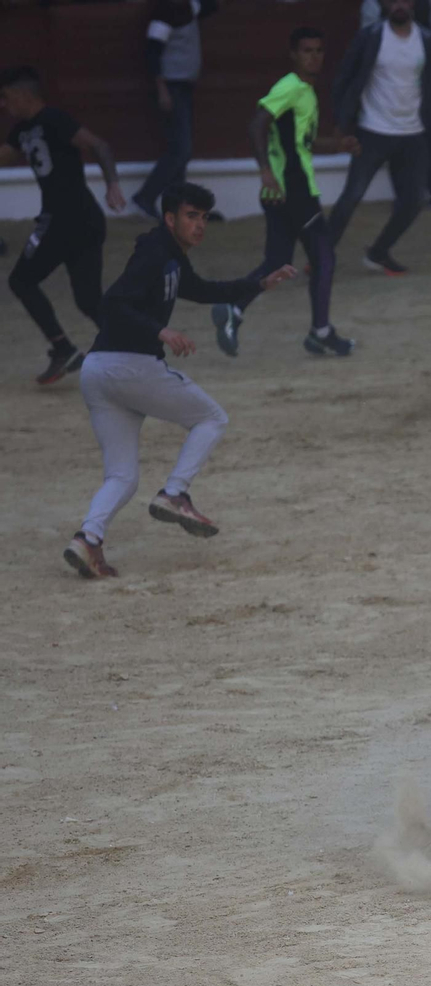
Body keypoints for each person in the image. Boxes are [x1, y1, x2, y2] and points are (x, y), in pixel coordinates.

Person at [63, 182, 296, 580]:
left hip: (98, 372)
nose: (200, 224)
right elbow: (112, 303)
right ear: (170, 219)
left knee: (122, 476)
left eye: (204, 217)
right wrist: (161, 332)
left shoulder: (170, 256)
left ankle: (87, 539)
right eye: (191, 216)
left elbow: (202, 290)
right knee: (212, 418)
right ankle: (174, 494)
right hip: (130, 366)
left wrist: (257, 285)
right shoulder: (154, 252)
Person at [211, 28, 355, 359]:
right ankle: (320, 332)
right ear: (293, 54)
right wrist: (264, 170)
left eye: (319, 50)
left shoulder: (305, 91)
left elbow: (302, 143)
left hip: (282, 191)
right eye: (307, 50)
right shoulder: (290, 87)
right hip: (293, 189)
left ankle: (234, 307)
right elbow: (256, 124)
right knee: (324, 256)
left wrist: (337, 144)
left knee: (277, 262)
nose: (314, 56)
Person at [1, 65, 124, 385]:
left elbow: (100, 145)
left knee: (21, 281)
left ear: (20, 95)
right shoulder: (20, 130)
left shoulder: (55, 118)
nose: (3, 105)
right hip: (83, 218)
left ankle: (63, 348)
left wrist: (113, 184)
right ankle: (135, 349)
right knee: (87, 299)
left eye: (5, 97)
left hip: (62, 220)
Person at [329, 0, 431, 277]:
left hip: (413, 134)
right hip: (372, 130)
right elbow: (345, 78)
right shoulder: (369, 37)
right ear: (384, 4)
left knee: (413, 201)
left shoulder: (428, 40)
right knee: (351, 196)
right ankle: (322, 254)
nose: (399, 4)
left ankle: (379, 252)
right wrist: (342, 123)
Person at [359, 0, 431, 208]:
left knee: (430, 128)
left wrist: (429, 47)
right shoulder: (373, 3)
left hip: (422, 73)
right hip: (389, 78)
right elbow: (367, 38)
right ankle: (406, 193)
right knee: (395, 132)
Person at [131, 0, 217, 221]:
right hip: (171, 87)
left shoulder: (188, 6)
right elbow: (152, 51)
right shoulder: (166, 10)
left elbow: (211, 6)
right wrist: (161, 90)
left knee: (180, 152)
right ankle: (146, 196)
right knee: (181, 150)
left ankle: (178, 208)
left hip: (183, 86)